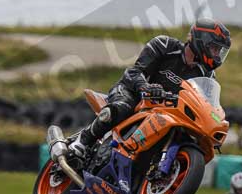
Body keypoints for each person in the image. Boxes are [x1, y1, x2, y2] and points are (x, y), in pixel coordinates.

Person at [63, 19, 231, 163]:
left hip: (165, 112)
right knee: (122, 107)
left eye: (219, 51)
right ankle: (82, 142)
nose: (217, 55)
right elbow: (135, 71)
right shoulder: (164, 45)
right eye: (215, 49)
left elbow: (205, 103)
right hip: (133, 93)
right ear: (202, 41)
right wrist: (146, 87)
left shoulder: (207, 75)